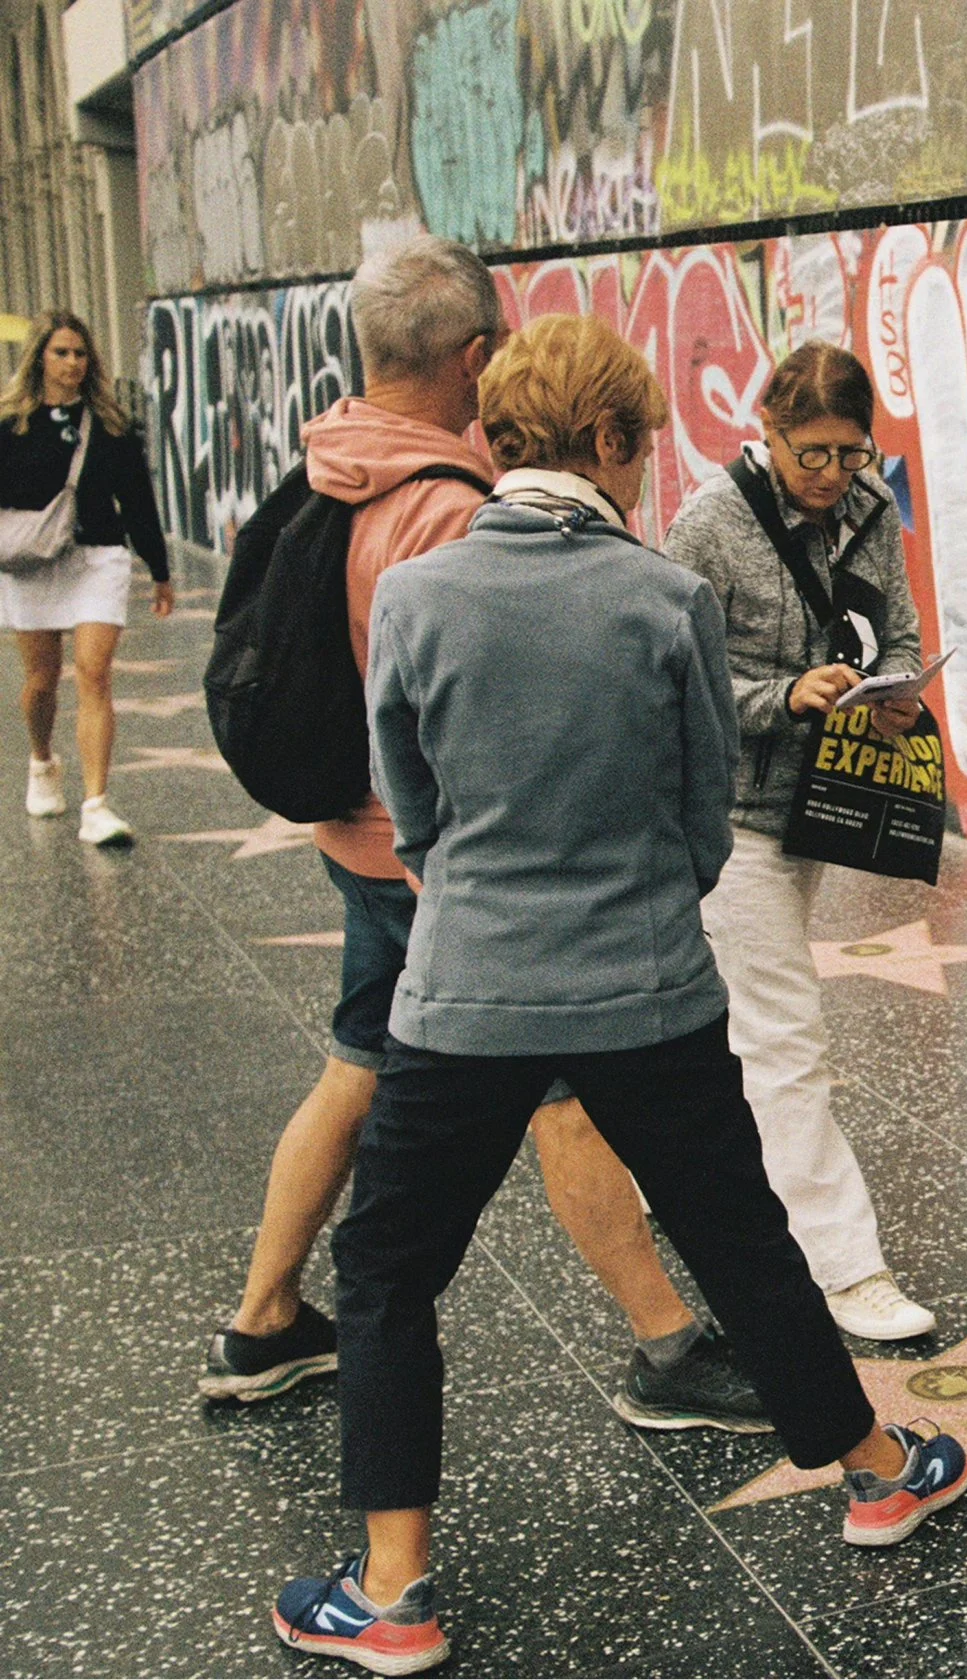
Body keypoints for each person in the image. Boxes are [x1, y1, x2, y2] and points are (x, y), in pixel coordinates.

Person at [271, 314, 967, 1676]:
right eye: (639, 441)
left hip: (465, 993)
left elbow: (408, 808)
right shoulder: (663, 601)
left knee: (388, 1268)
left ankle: (395, 1591)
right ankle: (881, 1471)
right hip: (650, 990)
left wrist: (480, 897)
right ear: (606, 444)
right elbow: (705, 815)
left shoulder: (420, 598)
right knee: (745, 1242)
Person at [200, 238, 768, 1441]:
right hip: (462, 877)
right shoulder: (455, 514)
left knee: (361, 1062)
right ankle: (669, 1346)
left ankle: (262, 1321)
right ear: (474, 359)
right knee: (562, 1096)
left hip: (359, 845)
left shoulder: (330, 463)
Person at [663, 341, 936, 1341]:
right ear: (767, 431)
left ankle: (687, 1181)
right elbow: (672, 681)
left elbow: (899, 631)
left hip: (819, 804)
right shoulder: (708, 525)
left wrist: (897, 690)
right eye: (809, 454)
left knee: (741, 1026)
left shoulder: (868, 508)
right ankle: (844, 1266)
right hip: (727, 814)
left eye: (850, 453)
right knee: (785, 1037)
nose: (830, 477)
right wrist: (784, 696)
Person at [0, 310, 172, 845]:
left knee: (93, 673)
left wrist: (159, 569)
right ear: (40, 359)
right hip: (32, 560)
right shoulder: (9, 425)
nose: (73, 362)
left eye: (80, 353)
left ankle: (96, 804)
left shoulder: (112, 425)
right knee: (41, 682)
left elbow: (139, 500)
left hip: (97, 556)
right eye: (61, 353)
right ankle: (42, 759)